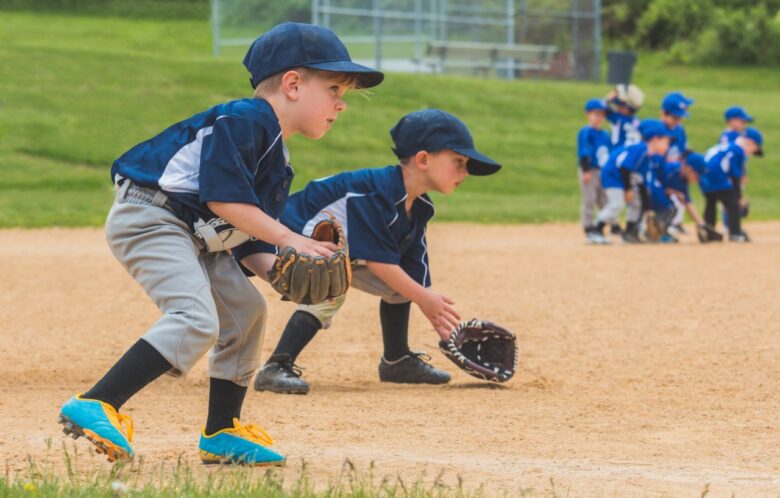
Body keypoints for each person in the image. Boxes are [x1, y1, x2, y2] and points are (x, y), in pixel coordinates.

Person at [57, 22, 383, 465]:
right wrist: (290, 237)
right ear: (292, 84)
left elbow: (244, 233)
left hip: (199, 234)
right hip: (152, 216)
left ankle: (221, 430)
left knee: (247, 312)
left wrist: (278, 270)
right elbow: (222, 198)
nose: (341, 104)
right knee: (195, 318)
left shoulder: (277, 159)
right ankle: (98, 401)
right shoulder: (246, 120)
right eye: (333, 88)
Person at [236, 109, 501, 394]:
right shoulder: (374, 194)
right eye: (458, 161)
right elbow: (378, 261)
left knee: (400, 285)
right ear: (423, 159)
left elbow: (413, 274)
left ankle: (396, 360)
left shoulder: (420, 207)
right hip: (280, 242)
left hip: (332, 252)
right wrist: (424, 298)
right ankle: (277, 365)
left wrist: (441, 325)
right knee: (332, 280)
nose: (465, 171)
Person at [591, 119, 671, 244]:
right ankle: (595, 230)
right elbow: (624, 167)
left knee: (636, 203)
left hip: (623, 176)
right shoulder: (641, 148)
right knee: (617, 204)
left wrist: (648, 209)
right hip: (613, 175)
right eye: (666, 142)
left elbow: (642, 184)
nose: (668, 146)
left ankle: (630, 232)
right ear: (655, 139)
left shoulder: (649, 156)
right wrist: (627, 189)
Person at [700, 128, 764, 243]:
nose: (751, 153)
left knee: (711, 203)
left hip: (703, 177)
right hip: (717, 177)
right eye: (754, 149)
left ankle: (709, 232)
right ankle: (735, 232)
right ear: (751, 142)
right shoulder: (738, 150)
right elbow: (735, 175)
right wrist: (739, 197)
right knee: (733, 204)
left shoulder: (726, 145)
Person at [577, 98, 611, 244]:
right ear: (588, 114)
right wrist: (586, 170)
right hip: (590, 170)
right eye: (596, 114)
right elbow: (584, 152)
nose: (599, 118)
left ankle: (600, 228)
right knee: (589, 199)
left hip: (603, 172)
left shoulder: (605, 134)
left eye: (602, 114)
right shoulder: (586, 132)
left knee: (604, 200)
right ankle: (589, 228)